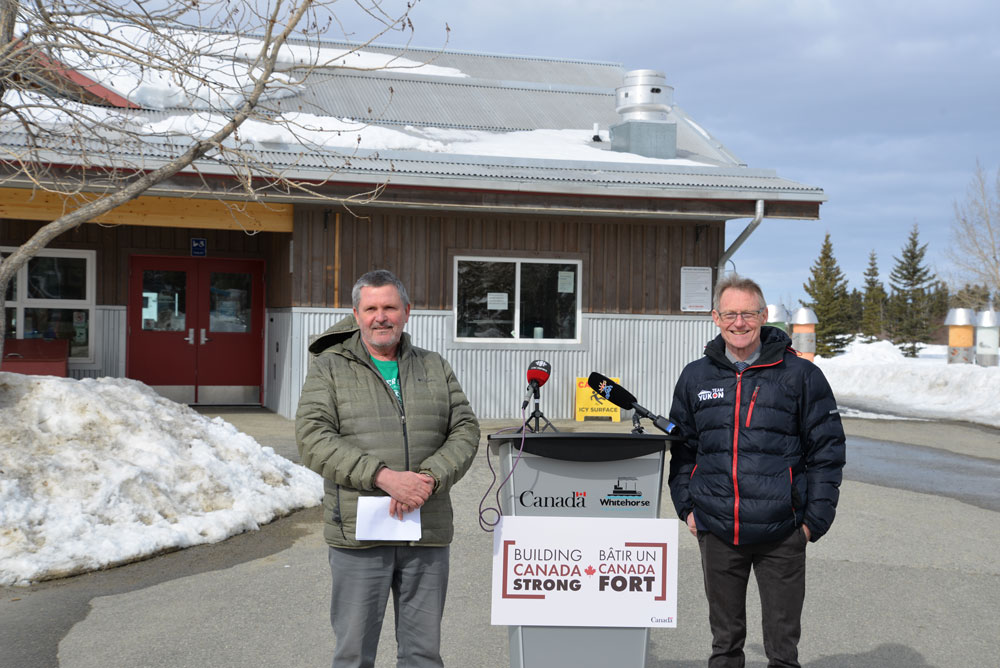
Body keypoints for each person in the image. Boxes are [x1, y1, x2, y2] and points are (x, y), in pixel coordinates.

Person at [296, 269, 480, 668]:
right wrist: (385, 477)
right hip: (360, 534)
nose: (381, 317)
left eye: (390, 307)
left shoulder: (435, 367)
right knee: (353, 653)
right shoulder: (330, 368)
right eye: (371, 308)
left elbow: (465, 430)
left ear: (407, 311)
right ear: (357, 314)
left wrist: (428, 479)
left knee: (423, 653)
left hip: (425, 528)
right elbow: (313, 438)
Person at [667, 274, 846, 668]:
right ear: (715, 318)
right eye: (730, 313)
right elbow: (683, 450)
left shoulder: (800, 376)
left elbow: (827, 451)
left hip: (783, 532)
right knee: (725, 646)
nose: (739, 322)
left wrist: (812, 521)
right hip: (718, 530)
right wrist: (688, 508)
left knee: (783, 651)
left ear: (764, 316)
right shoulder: (696, 377)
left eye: (748, 313)